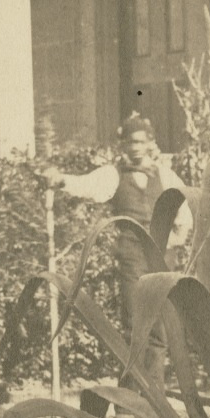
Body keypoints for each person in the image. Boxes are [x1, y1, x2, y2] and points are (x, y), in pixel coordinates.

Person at [44, 114, 192, 389]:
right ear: (123, 145)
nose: (135, 147)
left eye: (140, 142)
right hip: (132, 255)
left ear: (150, 143)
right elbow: (85, 185)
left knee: (159, 326)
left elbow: (184, 209)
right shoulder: (114, 175)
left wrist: (178, 237)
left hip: (162, 257)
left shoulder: (165, 175)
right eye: (129, 142)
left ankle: (155, 396)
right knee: (134, 323)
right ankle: (130, 397)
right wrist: (60, 180)